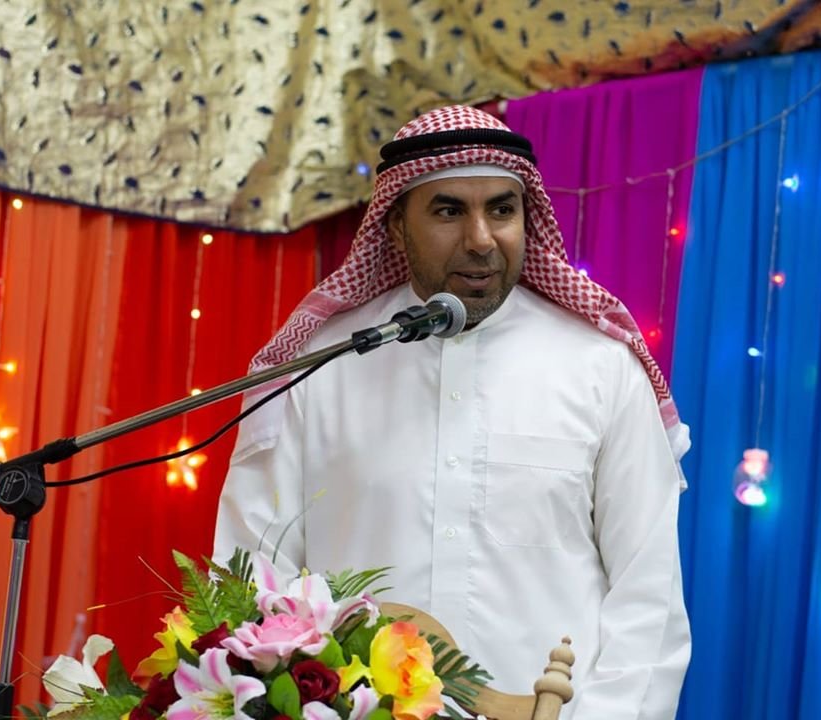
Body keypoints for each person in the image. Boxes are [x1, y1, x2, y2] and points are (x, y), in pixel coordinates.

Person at [214, 105, 691, 719]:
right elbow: (253, 574)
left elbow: (648, 595)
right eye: (448, 211)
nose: (481, 239)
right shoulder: (318, 367)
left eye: (502, 210)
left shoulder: (600, 367)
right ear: (395, 226)